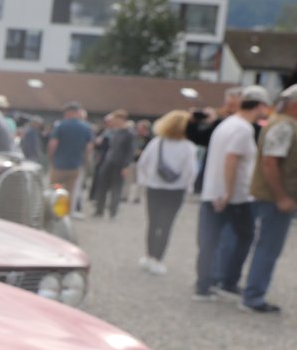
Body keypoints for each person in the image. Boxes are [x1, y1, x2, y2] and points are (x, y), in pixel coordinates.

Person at [194, 85, 269, 301]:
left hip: (215, 191)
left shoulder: (227, 124)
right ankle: (227, 281)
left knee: (209, 240)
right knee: (243, 237)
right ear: (259, 105)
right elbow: (231, 159)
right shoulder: (243, 129)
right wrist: (227, 192)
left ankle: (204, 284)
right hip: (235, 196)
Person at [239, 83, 297, 312]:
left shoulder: (284, 124)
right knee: (268, 248)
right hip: (274, 199)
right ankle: (253, 296)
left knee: (267, 247)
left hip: (274, 198)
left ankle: (254, 293)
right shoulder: (283, 126)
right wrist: (282, 197)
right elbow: (270, 162)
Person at [136, 110, 198, 274]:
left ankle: (149, 255)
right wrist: (188, 188)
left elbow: (143, 163)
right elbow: (190, 171)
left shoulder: (157, 142)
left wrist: (145, 180)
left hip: (154, 188)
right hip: (175, 191)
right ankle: (158, 258)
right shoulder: (188, 147)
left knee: (153, 223)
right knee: (166, 225)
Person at [188, 87, 242, 194]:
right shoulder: (219, 122)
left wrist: (215, 121)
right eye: (227, 104)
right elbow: (198, 138)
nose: (228, 108)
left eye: (232, 105)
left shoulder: (243, 125)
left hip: (231, 180)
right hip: (211, 177)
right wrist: (192, 123)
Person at [48, 103, 94, 217]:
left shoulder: (61, 126)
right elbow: (89, 147)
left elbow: (53, 144)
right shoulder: (85, 127)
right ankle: (65, 215)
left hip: (59, 165)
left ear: (68, 112)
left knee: (55, 188)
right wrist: (85, 160)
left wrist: (51, 158)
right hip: (75, 165)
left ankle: (52, 212)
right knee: (70, 191)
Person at [91, 110, 136, 219]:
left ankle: (113, 211)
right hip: (108, 161)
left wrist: (126, 166)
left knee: (116, 187)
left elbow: (130, 151)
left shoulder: (129, 134)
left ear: (122, 119)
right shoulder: (114, 131)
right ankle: (99, 210)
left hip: (120, 163)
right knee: (102, 186)